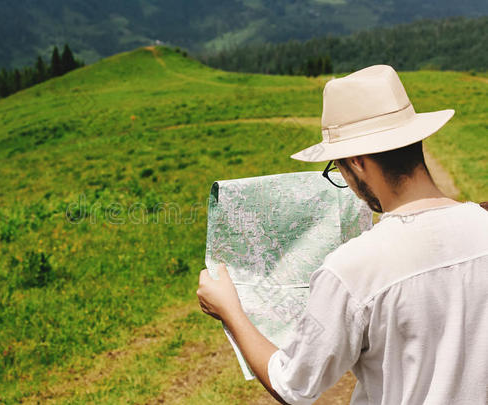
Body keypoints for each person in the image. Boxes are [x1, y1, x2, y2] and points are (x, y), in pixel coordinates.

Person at [196, 65, 488, 404]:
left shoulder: (352, 267)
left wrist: (230, 310)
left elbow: (293, 386)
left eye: (338, 168)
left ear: (357, 162)